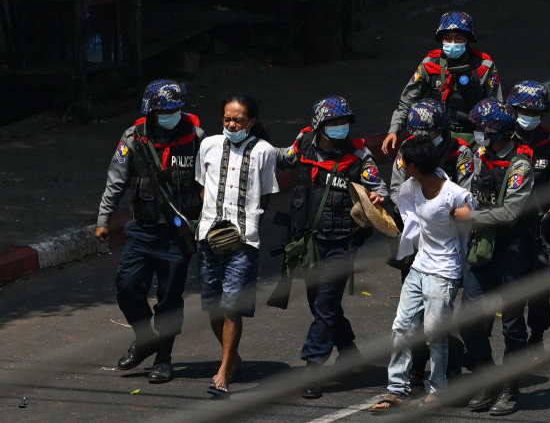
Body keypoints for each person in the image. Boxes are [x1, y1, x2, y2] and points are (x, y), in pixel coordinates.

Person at [275, 96, 388, 399]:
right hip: (309, 242)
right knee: (319, 304)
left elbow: (378, 186)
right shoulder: (303, 145)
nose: (340, 128)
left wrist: (378, 197)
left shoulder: (358, 155)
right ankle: (350, 352)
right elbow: (278, 159)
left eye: (344, 122)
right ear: (319, 126)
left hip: (342, 243)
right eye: (333, 123)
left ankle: (313, 367)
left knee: (325, 304)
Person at [95, 79, 207, 383]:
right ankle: (146, 338)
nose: (170, 115)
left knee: (170, 299)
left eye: (175, 110)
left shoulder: (197, 138)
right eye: (163, 111)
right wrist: (103, 220)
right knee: (127, 286)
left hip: (178, 235)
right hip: (142, 231)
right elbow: (115, 180)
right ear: (150, 111)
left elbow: (209, 182)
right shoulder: (133, 138)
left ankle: (164, 358)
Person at [370, 136, 475, 412]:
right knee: (401, 327)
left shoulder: (453, 194)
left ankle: (438, 389)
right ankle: (398, 390)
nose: (401, 164)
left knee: (433, 334)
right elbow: (406, 216)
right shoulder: (411, 186)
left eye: (404, 161)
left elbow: (473, 218)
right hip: (419, 267)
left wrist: (467, 216)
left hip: (444, 271)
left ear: (414, 166)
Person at [452, 98, 535, 416]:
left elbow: (513, 211)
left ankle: (510, 389)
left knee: (513, 325)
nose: (477, 136)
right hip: (481, 248)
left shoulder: (520, 165)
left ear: (498, 132)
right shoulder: (476, 156)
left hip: (512, 250)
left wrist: (471, 218)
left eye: (481, 131)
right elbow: (465, 191)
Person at [196, 95, 280, 397]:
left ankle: (223, 372)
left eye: (239, 120)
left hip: (244, 241)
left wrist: (249, 221)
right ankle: (236, 362)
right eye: (227, 119)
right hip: (207, 236)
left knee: (232, 306)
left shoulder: (264, 151)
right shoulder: (208, 145)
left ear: (251, 122)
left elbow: (267, 192)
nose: (232, 124)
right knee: (214, 306)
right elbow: (203, 185)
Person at [388, 98, 472, 392]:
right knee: (410, 319)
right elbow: (398, 187)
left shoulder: (462, 153)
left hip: (449, 247)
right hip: (417, 245)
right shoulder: (407, 152)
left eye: (429, 133)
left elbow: (466, 197)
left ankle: (448, 369)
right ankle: (414, 373)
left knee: (436, 317)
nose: (424, 139)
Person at [506, 80, 550, 350]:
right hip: (507, 224)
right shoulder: (502, 139)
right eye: (525, 111)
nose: (530, 117)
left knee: (537, 288)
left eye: (535, 113)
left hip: (539, 226)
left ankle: (537, 336)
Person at [382, 10, 502, 156]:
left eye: (458, 38)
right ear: (441, 39)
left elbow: (496, 108)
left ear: (468, 39)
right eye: (448, 38)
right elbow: (407, 101)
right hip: (435, 136)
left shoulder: (484, 66)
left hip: (474, 138)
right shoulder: (429, 64)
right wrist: (394, 130)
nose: (453, 43)